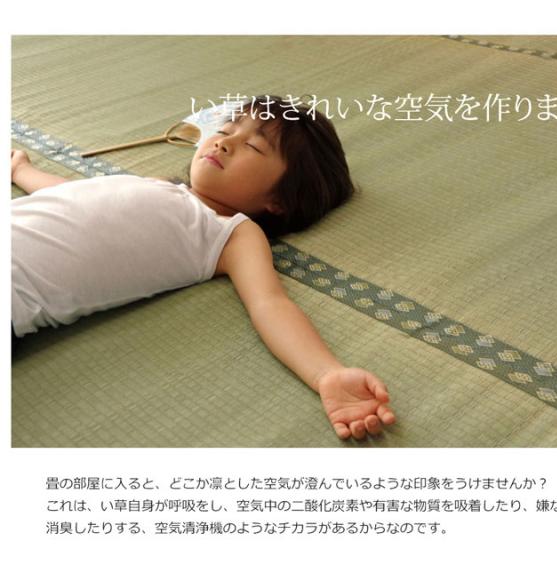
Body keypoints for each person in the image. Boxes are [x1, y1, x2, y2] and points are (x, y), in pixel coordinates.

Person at [10, 95, 396, 441]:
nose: (223, 141)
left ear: (279, 200)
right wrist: (20, 171)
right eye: (226, 129)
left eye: (253, 146)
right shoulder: (160, 186)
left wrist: (326, 373)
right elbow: (70, 196)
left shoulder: (230, 232)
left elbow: (270, 304)